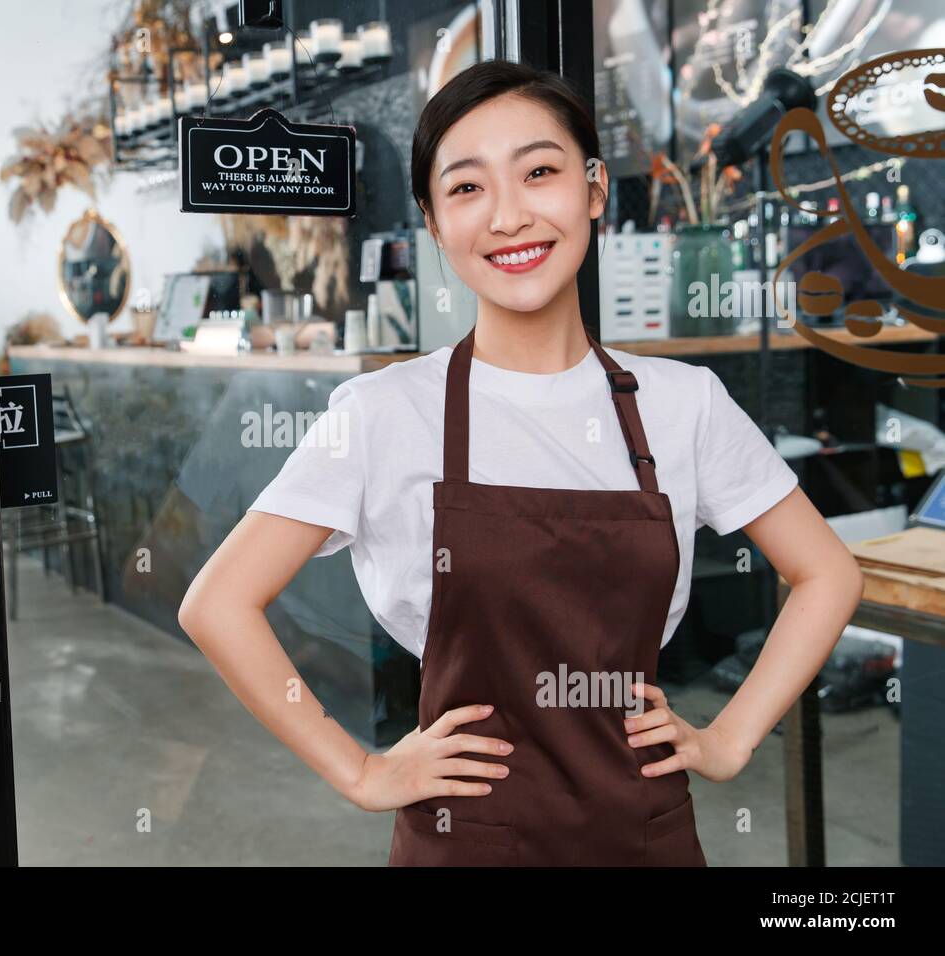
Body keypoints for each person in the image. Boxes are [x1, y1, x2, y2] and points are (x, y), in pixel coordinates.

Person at [177, 59, 864, 866]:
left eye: (541, 171)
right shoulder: (383, 414)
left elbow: (828, 574)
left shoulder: (685, 403)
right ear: (434, 223)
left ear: (595, 189)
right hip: (464, 839)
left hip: (646, 836)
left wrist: (732, 739)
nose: (509, 215)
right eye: (467, 188)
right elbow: (218, 603)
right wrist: (359, 769)